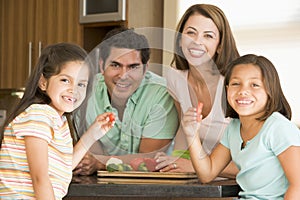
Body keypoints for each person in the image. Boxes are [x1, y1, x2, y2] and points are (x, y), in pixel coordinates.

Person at [0, 43, 114, 199]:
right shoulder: (39, 114)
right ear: (43, 82)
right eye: (65, 80)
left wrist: (92, 134)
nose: (74, 89)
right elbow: (40, 177)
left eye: (81, 84)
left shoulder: (58, 120)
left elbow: (63, 169)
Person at [182, 54, 300, 199]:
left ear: (270, 91)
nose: (243, 91)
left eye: (254, 85)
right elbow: (207, 173)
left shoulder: (279, 127)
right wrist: (191, 134)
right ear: (227, 89)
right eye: (236, 84)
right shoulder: (234, 127)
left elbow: (298, 186)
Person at [73, 27, 179, 175]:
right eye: (115, 65)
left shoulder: (161, 94)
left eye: (133, 67)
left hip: (155, 183)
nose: (123, 75)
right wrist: (97, 162)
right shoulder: (85, 92)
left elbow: (148, 162)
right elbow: (93, 156)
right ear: (102, 66)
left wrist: (100, 163)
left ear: (145, 68)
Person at [155, 4, 239, 177]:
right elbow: (183, 130)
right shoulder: (175, 78)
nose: (197, 41)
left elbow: (256, 167)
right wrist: (176, 164)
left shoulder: (234, 86)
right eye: (191, 33)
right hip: (205, 179)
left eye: (208, 35)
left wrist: (195, 166)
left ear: (220, 45)